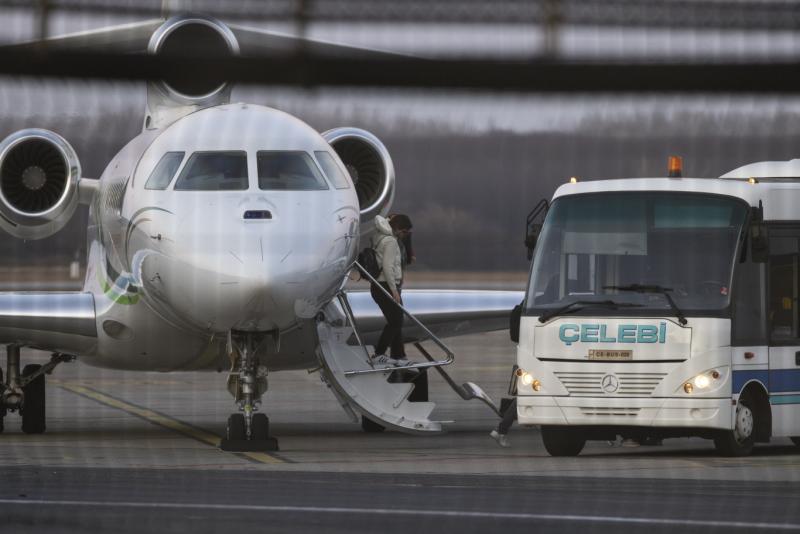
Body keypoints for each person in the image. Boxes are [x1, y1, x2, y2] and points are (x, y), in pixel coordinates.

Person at [370, 213, 414, 367]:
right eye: (404, 233)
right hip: (385, 286)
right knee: (396, 321)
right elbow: (388, 268)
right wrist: (394, 291)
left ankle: (399, 355)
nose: (404, 236)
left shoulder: (380, 236)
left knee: (396, 320)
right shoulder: (390, 242)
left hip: (378, 286)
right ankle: (379, 354)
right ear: (398, 229)